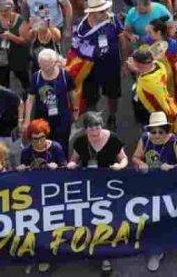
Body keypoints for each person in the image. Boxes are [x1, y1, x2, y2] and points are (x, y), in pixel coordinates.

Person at [68, 111, 127, 274]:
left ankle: (106, 256)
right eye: (91, 132)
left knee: (106, 220)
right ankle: (94, 247)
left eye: (98, 130)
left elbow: (124, 159)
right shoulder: (80, 142)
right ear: (85, 129)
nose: (95, 135)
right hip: (89, 186)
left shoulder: (113, 139)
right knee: (92, 219)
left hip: (110, 185)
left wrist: (120, 166)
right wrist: (72, 164)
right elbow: (75, 159)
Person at [23, 48, 76, 154]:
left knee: (62, 143)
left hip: (62, 116)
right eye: (42, 65)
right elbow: (30, 99)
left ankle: (61, 166)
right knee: (42, 142)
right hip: (42, 117)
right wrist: (27, 120)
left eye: (48, 65)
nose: (45, 68)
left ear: (55, 62)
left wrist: (75, 109)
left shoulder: (65, 75)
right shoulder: (36, 77)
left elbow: (72, 93)